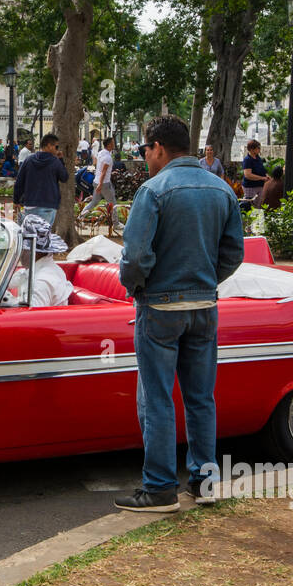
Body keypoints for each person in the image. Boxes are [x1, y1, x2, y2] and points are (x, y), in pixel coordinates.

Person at [116, 116, 244, 512]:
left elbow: (135, 257)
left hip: (159, 307)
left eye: (145, 150)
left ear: (157, 147)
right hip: (204, 307)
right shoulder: (221, 189)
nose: (144, 158)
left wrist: (138, 288)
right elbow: (234, 252)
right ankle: (205, 483)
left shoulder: (153, 191)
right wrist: (205, 281)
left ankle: (159, 489)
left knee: (156, 399)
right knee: (201, 398)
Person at [14, 133, 69, 226]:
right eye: (56, 146)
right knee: (43, 236)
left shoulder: (29, 160)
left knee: (30, 234)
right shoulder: (55, 162)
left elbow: (19, 182)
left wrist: (16, 201)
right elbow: (64, 177)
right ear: (49, 146)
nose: (58, 149)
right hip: (48, 204)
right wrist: (60, 160)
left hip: (30, 204)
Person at [79, 136, 117, 222]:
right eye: (113, 142)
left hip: (97, 181)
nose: (114, 144)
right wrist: (100, 184)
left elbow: (97, 164)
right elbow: (103, 172)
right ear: (109, 145)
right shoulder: (108, 158)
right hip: (103, 184)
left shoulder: (101, 153)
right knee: (113, 203)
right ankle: (116, 223)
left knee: (94, 202)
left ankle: (80, 217)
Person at [240, 139, 268, 204]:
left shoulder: (258, 158)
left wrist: (266, 176)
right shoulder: (247, 160)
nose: (259, 149)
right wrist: (262, 178)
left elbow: (262, 170)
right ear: (252, 149)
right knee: (250, 204)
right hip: (250, 186)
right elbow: (248, 175)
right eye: (258, 148)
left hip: (260, 186)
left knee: (258, 205)